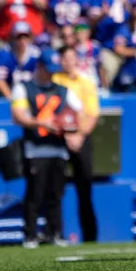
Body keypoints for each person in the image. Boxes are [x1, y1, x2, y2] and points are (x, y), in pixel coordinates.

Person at [11, 48, 88, 248]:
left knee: (56, 193)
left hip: (58, 148)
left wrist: (73, 130)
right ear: (39, 67)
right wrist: (42, 123)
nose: (52, 74)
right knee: (35, 193)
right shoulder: (24, 88)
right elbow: (18, 115)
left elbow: (81, 112)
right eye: (48, 69)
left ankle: (55, 232)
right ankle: (30, 234)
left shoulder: (63, 90)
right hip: (35, 147)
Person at [52, 45, 100, 242]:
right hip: (58, 137)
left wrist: (79, 135)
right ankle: (56, 233)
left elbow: (92, 113)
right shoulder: (55, 80)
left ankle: (90, 236)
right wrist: (64, 134)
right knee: (55, 188)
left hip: (81, 138)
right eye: (65, 58)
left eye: (72, 57)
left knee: (85, 188)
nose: (68, 62)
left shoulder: (85, 82)